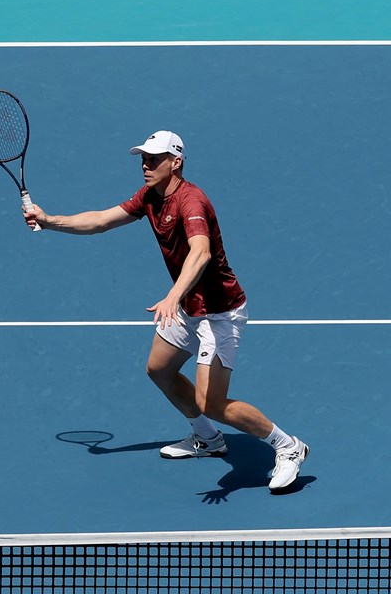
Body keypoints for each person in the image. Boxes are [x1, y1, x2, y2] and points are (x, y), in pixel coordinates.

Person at [23, 130, 308, 493]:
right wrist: (50, 221)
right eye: (143, 158)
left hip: (219, 313)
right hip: (189, 305)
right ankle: (208, 439)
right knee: (159, 369)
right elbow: (100, 220)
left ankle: (288, 446)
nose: (145, 164)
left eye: (154, 159)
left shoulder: (192, 203)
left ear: (177, 162)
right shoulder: (150, 197)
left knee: (213, 402)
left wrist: (173, 295)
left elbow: (201, 253)